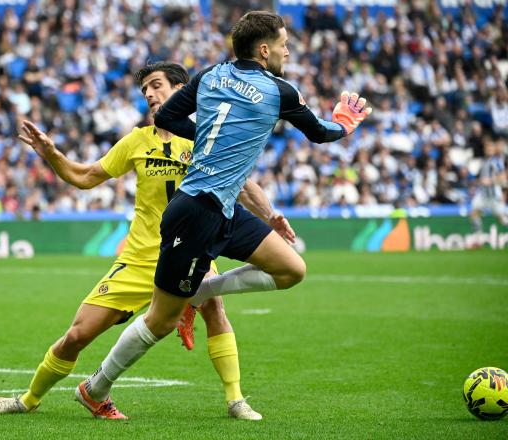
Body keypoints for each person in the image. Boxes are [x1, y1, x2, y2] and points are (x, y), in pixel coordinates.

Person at [76, 11, 372, 418]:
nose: (288, 50)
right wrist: (345, 124)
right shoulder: (280, 90)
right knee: (160, 321)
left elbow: (166, 117)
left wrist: (211, 139)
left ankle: (201, 292)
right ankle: (96, 387)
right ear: (264, 49)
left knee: (291, 269)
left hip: (225, 207)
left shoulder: (209, 75)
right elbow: (321, 132)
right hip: (195, 211)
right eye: (284, 44)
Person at [0, 62, 295, 420]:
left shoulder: (204, 137)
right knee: (77, 335)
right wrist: (52, 154)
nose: (149, 94)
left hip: (191, 247)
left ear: (182, 90)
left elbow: (245, 185)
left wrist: (270, 215)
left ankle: (235, 400)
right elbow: (85, 177)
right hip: (141, 258)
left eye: (156, 85)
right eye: (145, 90)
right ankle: (28, 400)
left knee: (214, 308)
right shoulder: (136, 140)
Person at [470, 136, 508, 241]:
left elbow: (503, 178)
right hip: (483, 194)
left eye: (491, 148)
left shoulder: (497, 162)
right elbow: (482, 178)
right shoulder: (484, 161)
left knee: (502, 219)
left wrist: (490, 181)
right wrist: (478, 182)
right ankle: (477, 237)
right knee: (473, 212)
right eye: (487, 148)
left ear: (494, 149)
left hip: (494, 196)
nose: (489, 150)